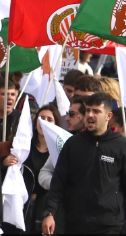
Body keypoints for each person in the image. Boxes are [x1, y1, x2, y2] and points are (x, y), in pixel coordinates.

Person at [42, 93, 126, 235]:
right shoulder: (73, 144)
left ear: (108, 116)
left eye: (96, 111)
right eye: (88, 110)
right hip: (74, 225)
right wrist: (50, 212)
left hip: (108, 226)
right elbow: (58, 183)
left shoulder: (123, 147)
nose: (90, 115)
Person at [0, 104, 62, 232]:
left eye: (49, 119)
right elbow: (4, 174)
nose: (44, 122)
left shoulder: (59, 151)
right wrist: (4, 163)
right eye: (41, 118)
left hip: (44, 207)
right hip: (21, 205)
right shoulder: (23, 147)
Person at [37, 96, 87, 234]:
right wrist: (61, 184)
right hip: (62, 218)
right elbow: (44, 174)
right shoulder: (65, 142)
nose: (67, 118)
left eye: (71, 114)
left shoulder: (105, 145)